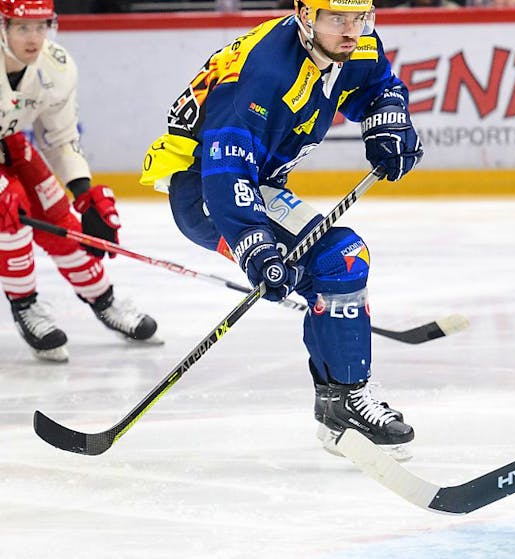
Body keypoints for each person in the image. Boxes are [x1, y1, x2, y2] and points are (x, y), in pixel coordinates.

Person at [139, 0, 423, 454]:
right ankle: (344, 401)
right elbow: (225, 171)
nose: (351, 31)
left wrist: (389, 122)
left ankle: (340, 403)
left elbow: (378, 87)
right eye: (338, 19)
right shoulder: (265, 73)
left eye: (359, 18)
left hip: (254, 181)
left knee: (336, 265)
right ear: (305, 16)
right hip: (208, 191)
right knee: (339, 258)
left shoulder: (353, 45)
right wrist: (254, 245)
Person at [0, 0, 159, 363]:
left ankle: (105, 301)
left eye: (41, 26)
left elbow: (59, 140)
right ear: (3, 25)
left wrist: (84, 194)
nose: (34, 38)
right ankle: (24, 306)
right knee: (9, 218)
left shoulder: (54, 67)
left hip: (8, 145)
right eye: (23, 27)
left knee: (61, 221)